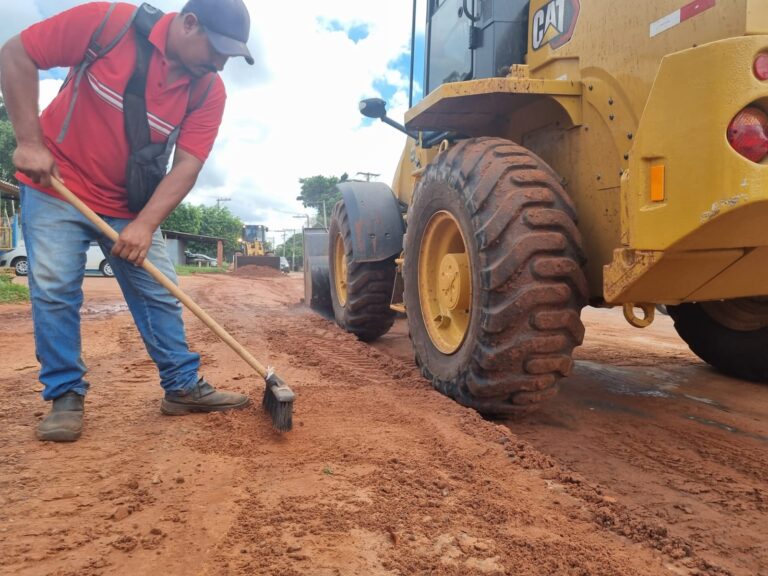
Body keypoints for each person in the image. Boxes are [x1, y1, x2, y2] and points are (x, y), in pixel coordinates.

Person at [0, 0, 255, 442]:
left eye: (228, 57)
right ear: (188, 24)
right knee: (55, 288)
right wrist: (28, 141)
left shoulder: (207, 90)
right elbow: (16, 53)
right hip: (56, 184)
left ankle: (181, 387)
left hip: (129, 203)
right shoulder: (107, 23)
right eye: (216, 51)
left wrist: (146, 224)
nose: (219, 64)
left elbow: (188, 165)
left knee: (159, 292)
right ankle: (65, 396)